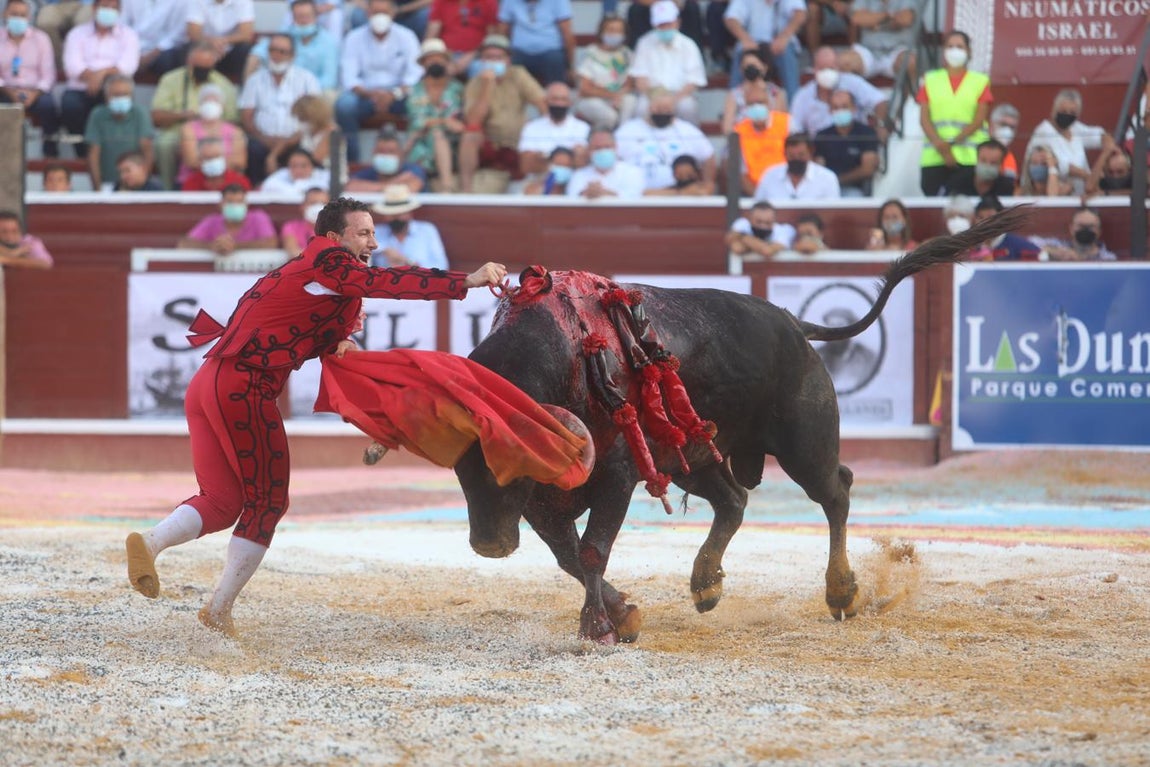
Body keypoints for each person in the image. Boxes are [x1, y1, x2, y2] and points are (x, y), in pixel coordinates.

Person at [126, 195, 508, 636]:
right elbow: (387, 281)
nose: (374, 242)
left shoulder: (319, 277)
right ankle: (218, 611)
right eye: (363, 233)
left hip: (209, 383)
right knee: (269, 501)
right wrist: (467, 281)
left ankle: (150, 543)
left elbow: (316, 333)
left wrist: (340, 344)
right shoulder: (329, 261)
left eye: (373, 233)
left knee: (224, 500)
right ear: (334, 238)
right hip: (242, 388)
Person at [336, 0, 422, 164]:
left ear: (393, 13)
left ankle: (414, 161)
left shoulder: (407, 36)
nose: (380, 17)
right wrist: (371, 94)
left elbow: (415, 74)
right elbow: (349, 77)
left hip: (399, 94)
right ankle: (351, 163)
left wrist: (394, 93)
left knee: (419, 103)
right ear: (368, 13)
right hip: (365, 94)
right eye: (376, 12)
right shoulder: (354, 38)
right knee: (344, 106)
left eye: (384, 12)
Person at [458, 33, 545, 193]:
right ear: (482, 60)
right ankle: (466, 189)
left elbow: (542, 103)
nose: (494, 61)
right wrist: (487, 86)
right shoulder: (475, 83)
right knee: (470, 134)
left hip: (519, 142)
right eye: (489, 57)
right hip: (490, 145)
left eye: (499, 57)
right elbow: (473, 121)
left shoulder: (518, 74)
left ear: (508, 60)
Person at [151, 43, 238, 190]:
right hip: (177, 131)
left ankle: (225, 188)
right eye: (198, 67)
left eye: (206, 68)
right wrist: (183, 115)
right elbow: (156, 117)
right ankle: (167, 189)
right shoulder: (171, 80)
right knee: (164, 144)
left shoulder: (223, 85)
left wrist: (212, 122)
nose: (201, 72)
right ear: (189, 62)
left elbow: (233, 120)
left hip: (214, 132)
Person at [60, 0, 140, 156]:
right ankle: (83, 153)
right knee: (70, 105)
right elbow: (73, 66)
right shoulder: (76, 34)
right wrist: (94, 78)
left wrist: (101, 76)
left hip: (113, 89)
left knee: (120, 104)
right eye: (105, 6)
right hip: (80, 88)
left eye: (113, 7)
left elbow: (127, 67)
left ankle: (114, 154)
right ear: (94, 8)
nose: (109, 10)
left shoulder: (129, 35)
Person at [917, 30, 991, 197]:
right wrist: (941, 147)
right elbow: (924, 119)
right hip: (934, 157)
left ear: (969, 51)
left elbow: (979, 119)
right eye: (950, 46)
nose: (954, 50)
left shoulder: (980, 81)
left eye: (959, 46)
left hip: (969, 157)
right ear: (944, 51)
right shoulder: (930, 79)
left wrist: (950, 145)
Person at [240, 33, 320, 185]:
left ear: (292, 55)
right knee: (252, 148)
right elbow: (247, 117)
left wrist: (281, 145)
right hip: (262, 140)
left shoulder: (307, 79)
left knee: (306, 148)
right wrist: (266, 139)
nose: (276, 55)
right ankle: (258, 190)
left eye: (282, 51)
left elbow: (314, 118)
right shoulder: (255, 80)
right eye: (272, 50)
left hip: (298, 140)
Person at [615, 90, 714, 192]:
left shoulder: (688, 131)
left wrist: (708, 183)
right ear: (649, 108)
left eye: (667, 110)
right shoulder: (628, 130)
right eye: (658, 109)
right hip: (639, 195)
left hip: (680, 194)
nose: (663, 113)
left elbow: (708, 156)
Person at [1, 0, 62, 157]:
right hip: (5, 90)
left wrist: (34, 93)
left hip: (35, 92)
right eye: (14, 14)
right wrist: (8, 91)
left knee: (48, 107)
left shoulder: (41, 39)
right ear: (4, 14)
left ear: (29, 17)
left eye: (23, 15)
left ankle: (50, 153)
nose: (18, 19)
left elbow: (48, 75)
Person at [629, 0, 706, 123]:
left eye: (668, 24)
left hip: (680, 95)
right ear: (654, 25)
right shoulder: (644, 43)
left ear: (677, 22)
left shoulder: (688, 45)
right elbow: (640, 79)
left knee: (688, 108)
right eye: (661, 25)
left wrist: (673, 99)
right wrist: (655, 97)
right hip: (651, 94)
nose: (665, 28)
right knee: (641, 108)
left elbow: (694, 81)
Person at [789, 46, 889, 138]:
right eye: (822, 68)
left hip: (855, 142)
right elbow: (795, 128)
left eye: (831, 68)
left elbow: (880, 101)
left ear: (837, 67)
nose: (827, 72)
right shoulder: (803, 96)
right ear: (814, 69)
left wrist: (880, 125)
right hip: (820, 148)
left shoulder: (852, 82)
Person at [404, 38, 464, 191]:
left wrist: (447, 124)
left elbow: (461, 122)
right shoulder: (414, 90)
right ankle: (446, 186)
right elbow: (418, 121)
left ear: (446, 62)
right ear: (423, 64)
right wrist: (444, 121)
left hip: (454, 143)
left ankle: (446, 186)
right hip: (421, 142)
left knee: (439, 134)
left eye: (439, 58)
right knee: (436, 134)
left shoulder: (458, 89)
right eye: (430, 59)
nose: (435, 62)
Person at [1025, 89, 1105, 197]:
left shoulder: (1075, 128)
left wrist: (1109, 144)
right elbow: (1061, 164)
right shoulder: (1043, 132)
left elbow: (1099, 135)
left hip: (1079, 196)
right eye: (1063, 111)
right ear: (1054, 110)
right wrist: (1089, 176)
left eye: (1072, 113)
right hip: (1052, 198)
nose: (1067, 115)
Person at [83, 73, 154, 190]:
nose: (121, 98)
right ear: (106, 97)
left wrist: (141, 183)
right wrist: (98, 189)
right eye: (116, 95)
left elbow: (147, 150)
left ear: (132, 97)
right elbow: (93, 155)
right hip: (107, 184)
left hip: (136, 185)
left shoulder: (140, 113)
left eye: (125, 94)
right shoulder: (97, 114)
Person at [248, 0, 338, 92]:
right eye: (299, 17)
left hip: (314, 93)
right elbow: (261, 50)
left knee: (329, 94)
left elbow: (329, 80)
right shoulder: (286, 33)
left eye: (307, 16)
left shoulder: (328, 41)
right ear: (293, 18)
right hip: (284, 88)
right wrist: (254, 57)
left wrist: (304, 88)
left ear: (316, 17)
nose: (303, 21)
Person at [723, 0, 804, 97]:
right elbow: (731, 18)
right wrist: (745, 38)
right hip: (753, 44)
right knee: (742, 54)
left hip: (781, 44)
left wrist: (784, 37)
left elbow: (800, 14)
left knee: (787, 54)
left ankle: (794, 105)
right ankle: (732, 107)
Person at [573, 14, 636, 131]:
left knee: (631, 101)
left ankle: (622, 135)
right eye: (611, 30)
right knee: (609, 116)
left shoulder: (627, 54)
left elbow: (629, 84)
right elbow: (585, 89)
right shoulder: (590, 53)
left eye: (619, 31)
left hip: (617, 97)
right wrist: (612, 95)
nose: (614, 34)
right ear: (602, 32)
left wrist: (618, 96)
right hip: (591, 99)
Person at [517, 81, 590, 180]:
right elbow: (526, 165)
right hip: (540, 178)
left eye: (563, 99)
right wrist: (568, 158)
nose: (559, 104)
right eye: (555, 99)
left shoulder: (583, 128)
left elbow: (583, 162)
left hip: (574, 177)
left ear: (570, 102)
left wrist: (544, 158)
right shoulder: (532, 128)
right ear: (546, 101)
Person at [812, 89, 879, 197]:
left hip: (854, 189)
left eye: (844, 107)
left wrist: (838, 180)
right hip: (826, 189)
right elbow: (819, 166)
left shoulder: (866, 133)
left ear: (854, 108)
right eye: (836, 108)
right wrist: (829, 183)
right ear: (830, 110)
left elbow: (868, 169)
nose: (840, 111)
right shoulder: (822, 135)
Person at [178, 83, 246, 187]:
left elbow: (240, 162)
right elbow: (191, 161)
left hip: (227, 182)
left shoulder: (236, 131)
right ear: (200, 105)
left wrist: (211, 164)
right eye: (206, 101)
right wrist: (218, 164)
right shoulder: (188, 129)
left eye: (215, 101)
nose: (210, 104)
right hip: (194, 179)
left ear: (222, 105)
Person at [730, 79, 792, 195]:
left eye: (760, 102)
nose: (756, 107)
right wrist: (760, 197)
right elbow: (741, 175)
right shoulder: (739, 131)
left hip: (787, 189)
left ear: (769, 103)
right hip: (755, 192)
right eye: (751, 104)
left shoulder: (788, 123)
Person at [179, 183, 277, 255]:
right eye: (230, 202)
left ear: (246, 204)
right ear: (221, 205)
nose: (235, 205)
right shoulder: (212, 221)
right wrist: (212, 246)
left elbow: (271, 243)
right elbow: (184, 244)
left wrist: (235, 246)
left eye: (239, 202)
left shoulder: (258, 217)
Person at [369, 184, 450, 269]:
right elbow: (361, 251)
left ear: (409, 212)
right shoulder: (377, 232)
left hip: (418, 280)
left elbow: (442, 266)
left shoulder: (426, 231)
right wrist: (383, 251)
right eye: (392, 214)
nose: (396, 217)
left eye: (399, 213)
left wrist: (409, 263)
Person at [497, 0, 575, 87]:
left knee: (555, 60)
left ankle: (555, 96)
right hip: (519, 51)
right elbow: (502, 31)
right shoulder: (509, 1)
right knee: (508, 63)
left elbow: (567, 33)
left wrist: (570, 66)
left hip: (550, 51)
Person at [844, 0, 917, 89]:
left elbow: (905, 19)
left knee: (909, 62)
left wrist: (874, 22)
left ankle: (911, 101)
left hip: (897, 49)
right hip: (869, 51)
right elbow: (857, 18)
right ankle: (850, 101)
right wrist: (888, 15)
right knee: (845, 62)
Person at [719, 46, 787, 135]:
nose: (750, 68)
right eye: (746, 66)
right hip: (742, 142)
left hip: (771, 142)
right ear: (741, 69)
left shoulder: (776, 93)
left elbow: (781, 123)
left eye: (754, 65)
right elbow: (727, 128)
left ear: (764, 68)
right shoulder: (734, 95)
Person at [754, 132, 840, 201]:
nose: (796, 159)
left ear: (810, 153)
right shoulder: (770, 175)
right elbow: (758, 206)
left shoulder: (827, 178)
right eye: (791, 156)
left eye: (801, 155)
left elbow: (831, 214)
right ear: (785, 154)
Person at [425, 0, 500, 79]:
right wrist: (444, 57)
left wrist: (472, 54)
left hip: (477, 55)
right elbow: (431, 36)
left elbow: (491, 38)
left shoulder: (488, 2)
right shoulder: (441, 2)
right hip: (446, 53)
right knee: (435, 68)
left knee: (480, 69)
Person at [185, 0, 256, 82]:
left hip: (231, 47)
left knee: (246, 49)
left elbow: (246, 34)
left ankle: (241, 88)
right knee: (187, 49)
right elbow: (194, 33)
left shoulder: (243, 2)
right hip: (205, 45)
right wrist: (212, 43)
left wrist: (222, 42)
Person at [566, 127, 645, 199]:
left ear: (615, 147)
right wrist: (585, 194)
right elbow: (572, 198)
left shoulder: (632, 172)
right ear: (589, 151)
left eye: (607, 147)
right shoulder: (579, 175)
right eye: (597, 148)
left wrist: (604, 193)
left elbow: (634, 197)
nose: (602, 151)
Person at [345, 128, 427, 192]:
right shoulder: (370, 172)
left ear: (400, 155)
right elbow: (350, 187)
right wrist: (390, 184)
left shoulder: (413, 169)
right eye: (381, 151)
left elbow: (411, 188)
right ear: (373, 153)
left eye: (391, 151)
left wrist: (372, 187)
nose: (385, 155)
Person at [966, 196, 1042, 261]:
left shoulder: (1020, 246)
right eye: (980, 218)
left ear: (1001, 219)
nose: (985, 223)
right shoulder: (969, 246)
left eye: (991, 217)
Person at [124, 0, 188, 78]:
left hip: (161, 49)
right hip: (131, 44)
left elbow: (177, 32)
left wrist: (153, 53)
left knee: (167, 59)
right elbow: (123, 24)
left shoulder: (181, 2)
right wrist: (131, 51)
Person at [1030, 206, 1117, 262]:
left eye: (1091, 226)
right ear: (1071, 228)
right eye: (1081, 226)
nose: (1085, 230)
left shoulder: (1108, 259)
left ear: (1099, 231)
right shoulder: (1060, 246)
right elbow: (1030, 242)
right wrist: (1056, 252)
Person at [940, 138, 1014, 198]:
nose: (987, 166)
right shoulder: (957, 182)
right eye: (983, 161)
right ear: (977, 160)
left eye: (993, 163)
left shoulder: (1007, 187)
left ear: (1000, 165)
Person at [724, 200, 796, 258]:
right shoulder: (743, 223)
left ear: (774, 220)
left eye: (768, 223)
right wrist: (759, 246)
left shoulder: (785, 230)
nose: (763, 226)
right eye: (759, 222)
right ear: (750, 219)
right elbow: (737, 248)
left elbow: (767, 251)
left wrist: (743, 237)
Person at [181, 135, 252, 191]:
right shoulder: (191, 184)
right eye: (208, 158)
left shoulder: (240, 182)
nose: (213, 161)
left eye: (216, 156)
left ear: (225, 157)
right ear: (200, 160)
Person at [290, 93, 336, 169]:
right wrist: (273, 156)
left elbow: (317, 159)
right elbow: (288, 141)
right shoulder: (306, 129)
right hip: (305, 170)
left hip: (325, 172)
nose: (300, 121)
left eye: (302, 118)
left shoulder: (332, 132)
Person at [260, 147, 330, 194]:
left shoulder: (325, 176)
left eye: (303, 166)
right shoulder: (281, 174)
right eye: (294, 166)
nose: (298, 170)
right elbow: (266, 186)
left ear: (312, 166)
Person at [281, 186, 329, 253]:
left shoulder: (336, 229)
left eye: (323, 203)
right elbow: (293, 252)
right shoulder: (291, 226)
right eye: (313, 203)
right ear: (303, 206)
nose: (318, 207)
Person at [987, 102, 1020, 178]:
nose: (1007, 130)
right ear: (991, 125)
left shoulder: (1010, 159)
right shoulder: (977, 151)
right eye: (1003, 124)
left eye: (1012, 127)